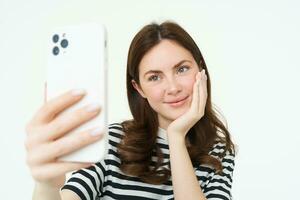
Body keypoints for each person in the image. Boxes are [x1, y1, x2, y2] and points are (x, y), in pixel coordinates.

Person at [25, 21, 235, 200]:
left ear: (201, 70)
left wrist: (176, 137)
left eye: (182, 69)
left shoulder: (219, 152)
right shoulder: (115, 140)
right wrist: (47, 185)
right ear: (138, 88)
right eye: (154, 77)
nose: (173, 88)